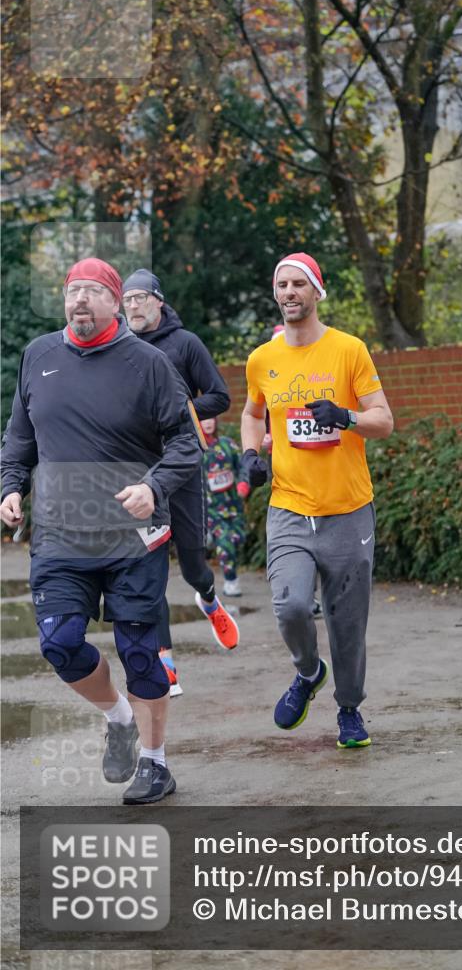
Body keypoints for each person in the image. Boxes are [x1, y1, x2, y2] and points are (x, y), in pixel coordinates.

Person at [0, 257, 202, 803]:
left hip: (132, 534)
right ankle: (118, 718)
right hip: (61, 534)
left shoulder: (150, 363)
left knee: (140, 652)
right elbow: (19, 438)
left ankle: (156, 765)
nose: (80, 300)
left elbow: (186, 444)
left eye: (93, 290)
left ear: (118, 301)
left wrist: (154, 487)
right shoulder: (38, 356)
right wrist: (10, 487)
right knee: (60, 643)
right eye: (73, 291)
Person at [240, 252, 393, 748]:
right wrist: (250, 454)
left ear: (316, 292)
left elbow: (384, 421)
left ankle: (349, 710)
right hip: (288, 506)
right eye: (281, 284)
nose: (288, 292)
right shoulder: (263, 358)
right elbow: (252, 412)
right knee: (288, 606)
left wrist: (344, 417)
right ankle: (308, 673)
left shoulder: (348, 351)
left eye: (298, 284)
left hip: (348, 511)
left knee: (348, 623)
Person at [122, 269, 237, 697]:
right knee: (151, 568)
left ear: (159, 302)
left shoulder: (185, 344)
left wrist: (179, 407)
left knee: (191, 563)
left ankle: (208, 596)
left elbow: (220, 396)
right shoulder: (122, 349)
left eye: (139, 298)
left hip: (182, 465)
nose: (131, 306)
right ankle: (165, 662)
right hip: (140, 474)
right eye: (126, 299)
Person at [199, 417, 246, 597]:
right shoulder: (196, 449)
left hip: (233, 506)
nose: (208, 422)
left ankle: (210, 541)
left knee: (236, 540)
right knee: (226, 542)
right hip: (211, 510)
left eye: (211, 418)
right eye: (203, 419)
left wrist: (244, 484)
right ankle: (231, 581)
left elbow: (244, 467)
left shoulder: (228, 445)